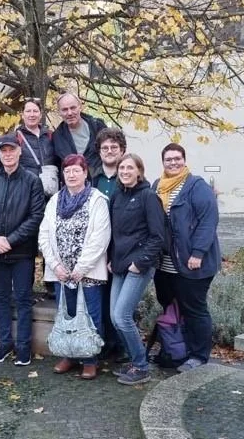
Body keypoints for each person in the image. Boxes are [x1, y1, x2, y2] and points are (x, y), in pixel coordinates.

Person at [39, 154, 111, 380]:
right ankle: (68, 354)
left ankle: (90, 358)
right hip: (61, 272)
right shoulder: (55, 200)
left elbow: (100, 237)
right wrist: (56, 265)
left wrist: (81, 268)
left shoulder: (97, 200)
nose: (71, 174)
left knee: (90, 315)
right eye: (67, 171)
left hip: (87, 272)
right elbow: (44, 235)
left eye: (76, 170)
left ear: (85, 172)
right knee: (66, 314)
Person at [153, 143, 221, 372]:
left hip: (192, 263)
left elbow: (208, 221)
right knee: (171, 307)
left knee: (194, 309)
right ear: (162, 162)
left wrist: (198, 253)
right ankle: (176, 349)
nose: (173, 163)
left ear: (184, 160)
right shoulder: (158, 186)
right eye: (168, 159)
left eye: (177, 158)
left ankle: (198, 355)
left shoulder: (196, 186)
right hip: (165, 264)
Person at [0, 135, 45, 367]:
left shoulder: (31, 180)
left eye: (11, 150)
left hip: (22, 251)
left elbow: (36, 216)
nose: (7, 154)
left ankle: (24, 346)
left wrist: (11, 239)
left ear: (19, 152)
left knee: (24, 298)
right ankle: (4, 343)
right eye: (3, 150)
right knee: (0, 298)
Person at [107, 153, 165, 385]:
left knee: (122, 316)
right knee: (115, 316)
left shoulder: (149, 196)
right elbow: (114, 232)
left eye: (130, 168)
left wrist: (140, 262)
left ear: (139, 171)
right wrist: (112, 258)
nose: (124, 171)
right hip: (119, 263)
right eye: (122, 168)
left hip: (139, 265)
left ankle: (141, 366)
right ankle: (134, 359)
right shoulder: (118, 196)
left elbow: (158, 236)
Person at [92, 127, 128, 362]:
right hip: (97, 249)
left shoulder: (127, 177)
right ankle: (105, 343)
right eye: (105, 148)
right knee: (102, 299)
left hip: (121, 248)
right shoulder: (93, 179)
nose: (109, 151)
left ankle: (123, 347)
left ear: (122, 150)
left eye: (114, 147)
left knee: (121, 304)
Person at [51, 93, 107, 178]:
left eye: (73, 108)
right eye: (64, 110)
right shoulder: (57, 137)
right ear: (59, 112)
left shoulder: (97, 127)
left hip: (99, 180)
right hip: (74, 185)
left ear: (80, 107)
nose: (69, 113)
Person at [15, 98, 57, 196]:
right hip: (26, 191)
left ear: (41, 114)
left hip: (50, 190)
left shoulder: (50, 135)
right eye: (28, 111)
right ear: (22, 115)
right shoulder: (16, 137)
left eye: (35, 111)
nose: (32, 114)